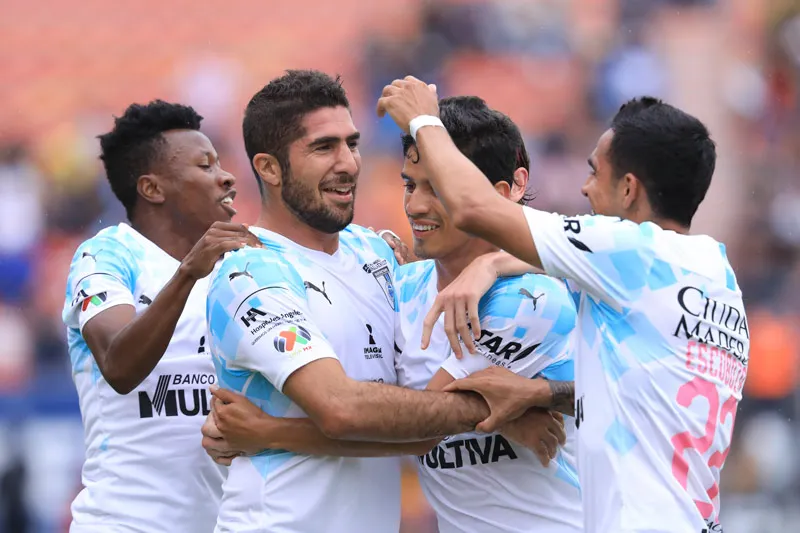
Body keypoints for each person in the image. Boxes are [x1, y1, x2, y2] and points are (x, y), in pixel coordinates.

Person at [377, 78, 749, 533]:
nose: (585, 190)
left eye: (594, 172)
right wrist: (538, 395)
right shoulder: (715, 278)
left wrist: (423, 119)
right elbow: (637, 395)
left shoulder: (629, 253)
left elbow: (475, 208)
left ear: (629, 189)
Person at [204, 70, 563, 533]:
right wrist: (495, 412)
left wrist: (493, 264)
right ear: (269, 168)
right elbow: (344, 410)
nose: (349, 163)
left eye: (351, 143)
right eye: (323, 147)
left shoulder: (376, 255)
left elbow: (573, 261)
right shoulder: (250, 274)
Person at [62, 100, 261, 532]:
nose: (225, 176)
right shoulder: (106, 255)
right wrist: (189, 271)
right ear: (152, 189)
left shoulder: (241, 266)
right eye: (205, 166)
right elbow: (118, 364)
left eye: (220, 164)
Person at [392, 95, 582, 533]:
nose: (416, 206)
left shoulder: (532, 299)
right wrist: (490, 419)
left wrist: (270, 432)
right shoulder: (396, 290)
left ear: (500, 192)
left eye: (436, 187)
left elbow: (417, 429)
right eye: (409, 185)